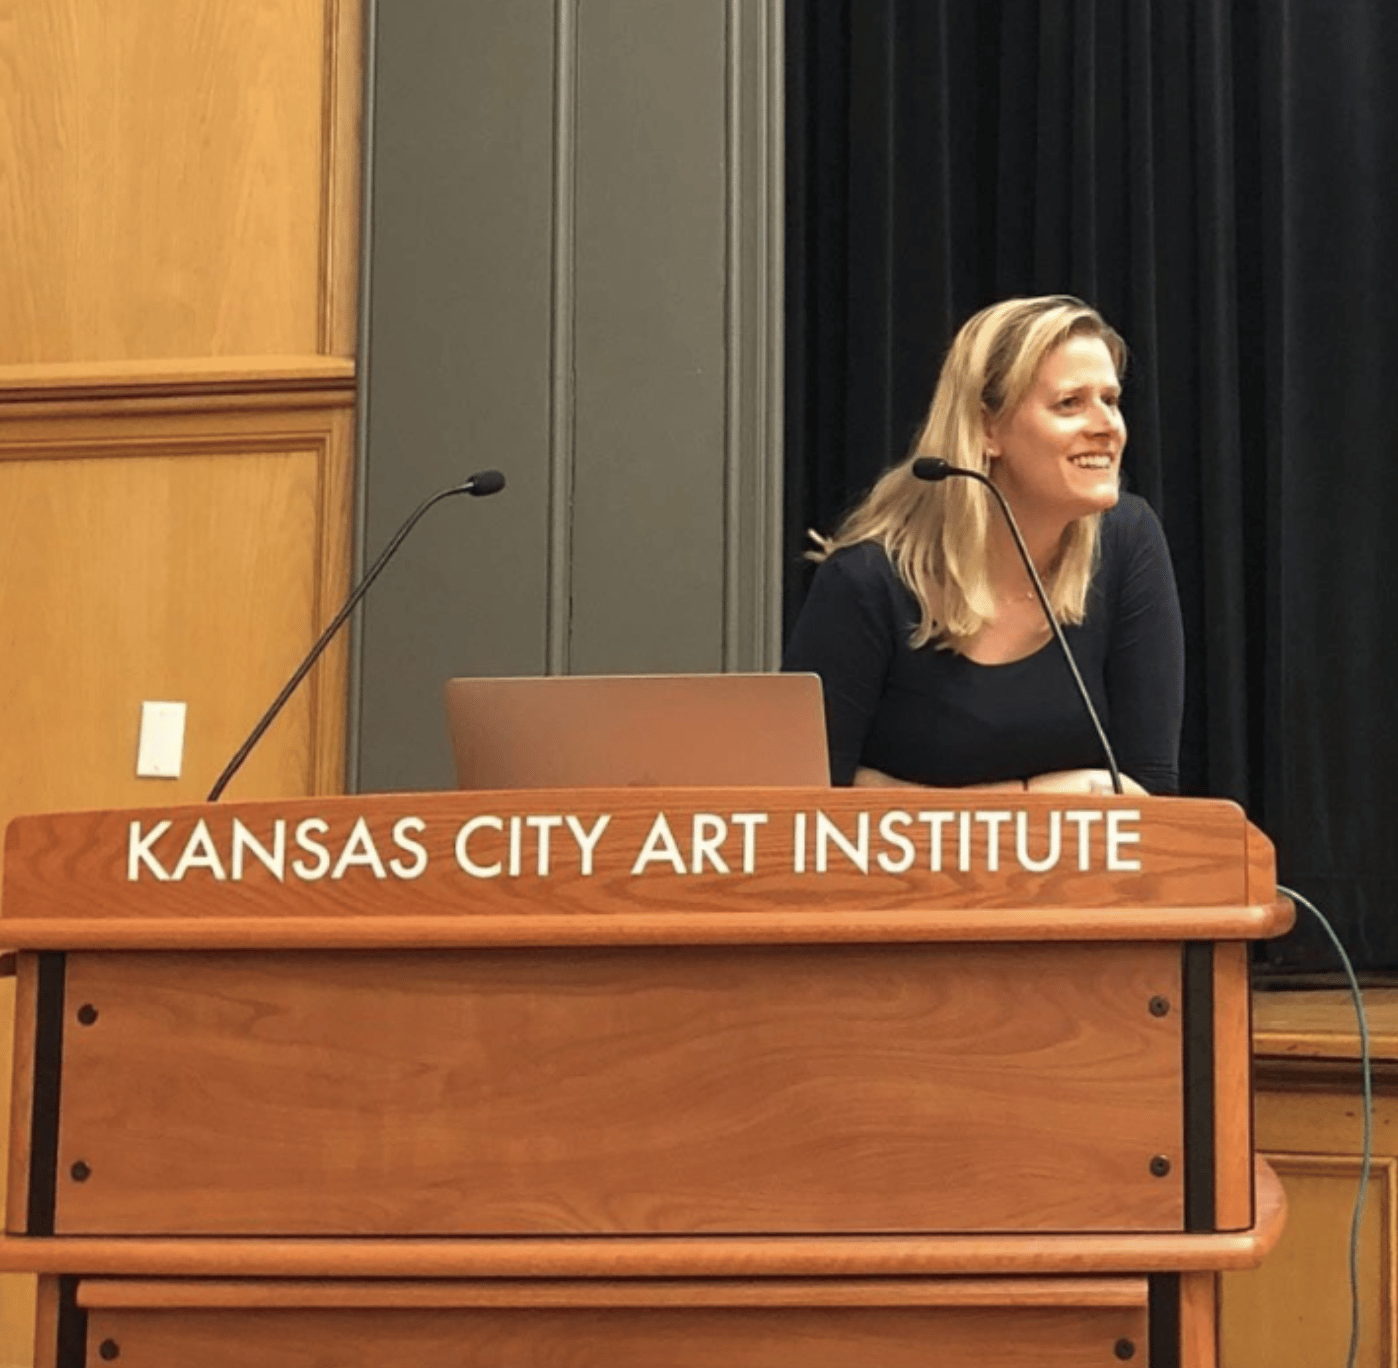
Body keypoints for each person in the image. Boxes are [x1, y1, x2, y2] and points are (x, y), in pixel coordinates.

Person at [783, 295, 1184, 796]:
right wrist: (1036, 794)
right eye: (1070, 403)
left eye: (1111, 400)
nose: (1108, 426)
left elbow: (1150, 793)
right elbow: (803, 800)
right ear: (986, 428)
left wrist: (904, 793)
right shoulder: (867, 581)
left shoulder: (1128, 539)